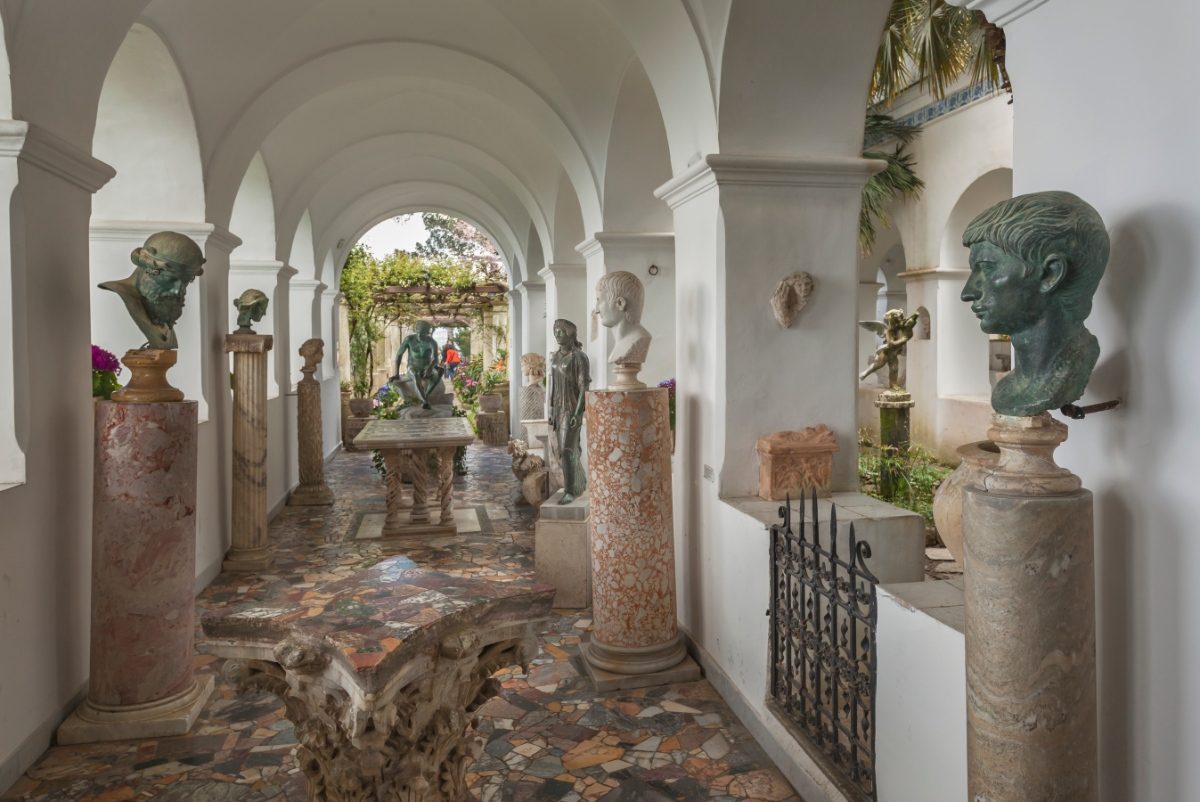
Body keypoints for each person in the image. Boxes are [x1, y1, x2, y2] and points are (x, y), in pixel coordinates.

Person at [959, 190, 1109, 416]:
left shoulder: (1065, 371)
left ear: (1050, 274)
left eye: (988, 268)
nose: (968, 292)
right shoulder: (1010, 388)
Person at [549, 319, 590, 504]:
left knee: (567, 450)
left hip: (572, 408)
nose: (557, 334)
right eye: (555, 331)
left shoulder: (579, 357)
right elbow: (553, 385)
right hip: (558, 408)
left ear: (571, 334)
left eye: (561, 331)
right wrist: (551, 409)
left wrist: (578, 412)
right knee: (562, 450)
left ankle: (570, 490)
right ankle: (578, 484)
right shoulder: (555, 357)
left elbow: (584, 387)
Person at [391, 320, 443, 409]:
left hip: (426, 366)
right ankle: (425, 401)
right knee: (415, 375)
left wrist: (430, 367)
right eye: (419, 332)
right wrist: (396, 373)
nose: (420, 335)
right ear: (416, 330)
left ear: (427, 332)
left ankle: (425, 395)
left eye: (423, 333)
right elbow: (399, 355)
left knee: (438, 373)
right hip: (413, 366)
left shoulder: (431, 342)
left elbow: (435, 358)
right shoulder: (409, 339)